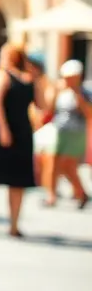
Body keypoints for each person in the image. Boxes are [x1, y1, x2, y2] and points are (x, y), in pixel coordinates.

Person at [0, 46, 47, 237]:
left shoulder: (29, 78)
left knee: (18, 181)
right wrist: (4, 129)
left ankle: (14, 225)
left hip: (22, 132)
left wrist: (38, 80)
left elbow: (42, 105)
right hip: (4, 131)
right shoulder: (1, 76)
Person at [42, 59, 90, 208]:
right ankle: (51, 196)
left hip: (76, 133)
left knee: (68, 166)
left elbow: (89, 113)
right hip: (59, 130)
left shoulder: (85, 92)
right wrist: (54, 91)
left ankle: (81, 193)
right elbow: (49, 109)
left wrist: (77, 94)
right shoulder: (60, 90)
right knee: (52, 161)